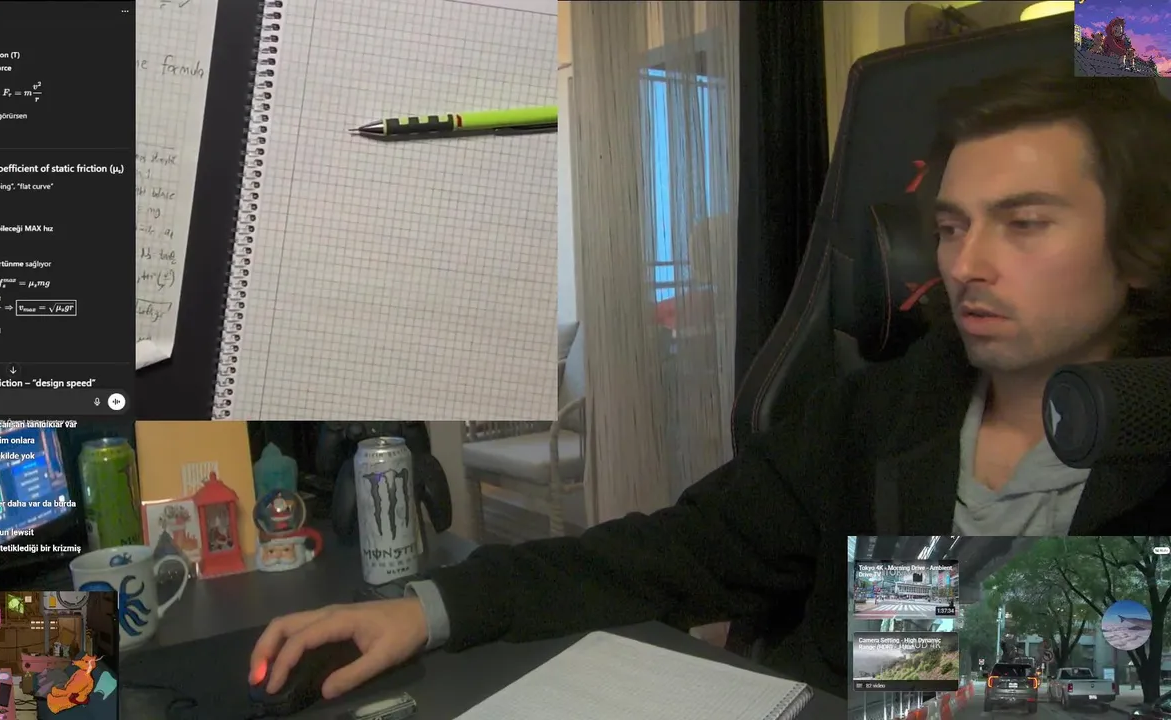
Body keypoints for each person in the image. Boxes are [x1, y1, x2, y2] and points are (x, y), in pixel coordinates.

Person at [251, 68, 1171, 701]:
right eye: (952, 226)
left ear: (1136, 249)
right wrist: (431, 608)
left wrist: (906, 640)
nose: (966, 265)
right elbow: (677, 550)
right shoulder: (876, 411)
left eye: (1024, 222)